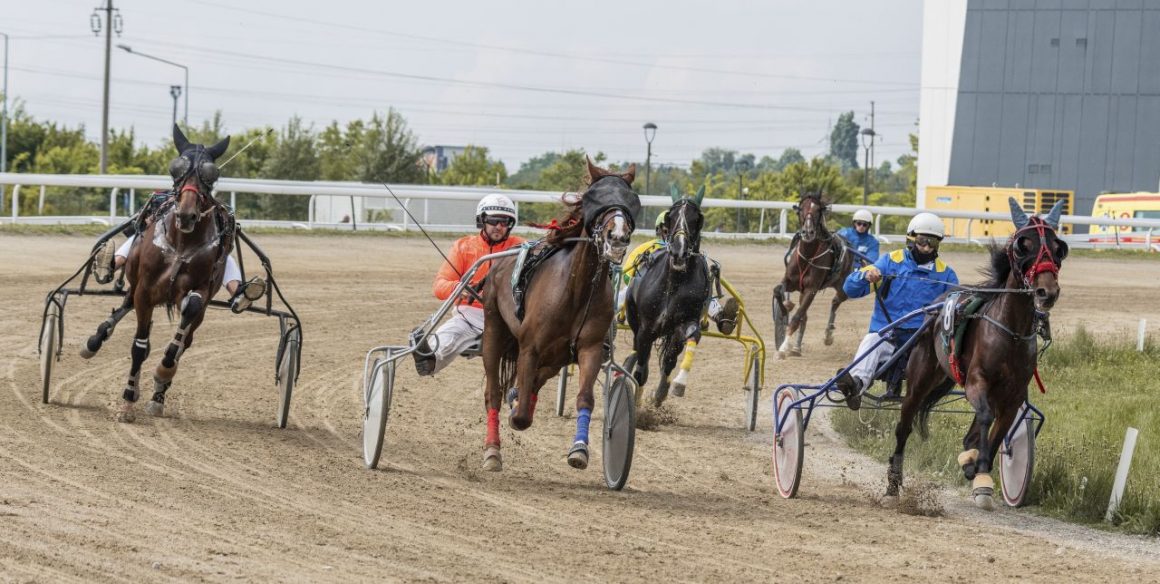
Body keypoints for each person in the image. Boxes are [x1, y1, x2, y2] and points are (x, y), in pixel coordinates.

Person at [834, 212, 958, 409]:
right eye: (922, 241)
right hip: (888, 336)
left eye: (932, 243)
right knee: (871, 341)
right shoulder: (889, 262)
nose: (926, 247)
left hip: (924, 342)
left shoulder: (946, 275)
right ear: (911, 239)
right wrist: (865, 277)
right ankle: (856, 386)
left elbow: (954, 310)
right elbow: (849, 289)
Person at [412, 193, 527, 376]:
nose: (499, 226)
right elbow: (440, 285)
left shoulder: (522, 248)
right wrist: (458, 289)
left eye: (504, 222)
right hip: (470, 316)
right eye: (493, 220)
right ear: (482, 220)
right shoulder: (463, 247)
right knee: (449, 335)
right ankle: (429, 358)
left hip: (508, 317)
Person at [92, 195, 264, 313]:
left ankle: (110, 267)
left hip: (165, 244)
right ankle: (237, 293)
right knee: (222, 255)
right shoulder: (206, 203)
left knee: (138, 240)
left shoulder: (167, 199)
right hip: (183, 245)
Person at [617, 210, 740, 334]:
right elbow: (628, 273)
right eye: (667, 231)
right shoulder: (649, 247)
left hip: (681, 292)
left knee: (703, 293)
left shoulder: (687, 252)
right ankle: (609, 312)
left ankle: (722, 319)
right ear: (659, 231)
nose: (672, 236)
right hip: (649, 290)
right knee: (627, 290)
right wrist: (640, 282)